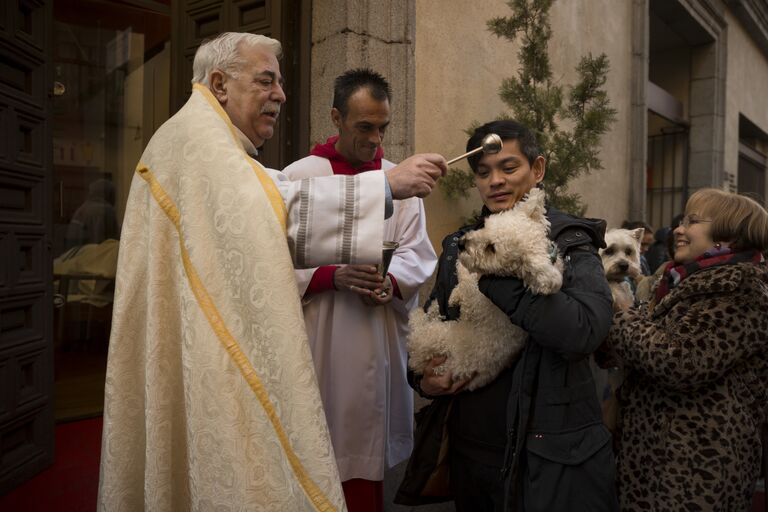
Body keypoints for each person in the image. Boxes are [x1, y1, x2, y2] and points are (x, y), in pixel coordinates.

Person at [98, 32, 446, 511]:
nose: (281, 94)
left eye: (279, 83)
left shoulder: (207, 141)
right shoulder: (198, 142)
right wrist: (383, 188)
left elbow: (259, 216)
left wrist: (390, 273)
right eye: (267, 81)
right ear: (219, 83)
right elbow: (269, 212)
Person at [405, 120, 618, 511]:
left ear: (537, 170)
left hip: (546, 454)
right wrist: (422, 379)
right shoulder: (462, 246)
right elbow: (434, 320)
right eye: (483, 173)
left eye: (508, 167)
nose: (495, 181)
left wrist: (497, 278)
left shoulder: (568, 241)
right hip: (471, 452)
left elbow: (584, 332)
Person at [283, 68, 437, 512]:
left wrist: (391, 281)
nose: (375, 138)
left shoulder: (400, 181)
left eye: (382, 127)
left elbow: (417, 252)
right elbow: (271, 256)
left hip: (374, 338)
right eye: (363, 126)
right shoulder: (298, 175)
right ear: (336, 117)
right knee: (312, 453)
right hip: (318, 337)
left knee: (363, 464)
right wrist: (331, 276)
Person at [606, 188, 768, 511]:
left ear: (728, 238)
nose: (679, 228)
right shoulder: (679, 281)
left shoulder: (742, 289)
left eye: (692, 221)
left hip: (696, 470)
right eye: (682, 219)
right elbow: (642, 343)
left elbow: (680, 361)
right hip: (653, 459)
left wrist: (621, 318)